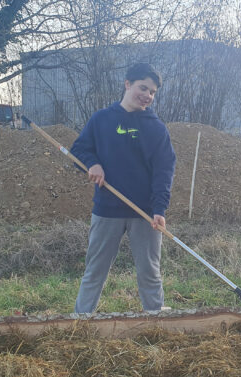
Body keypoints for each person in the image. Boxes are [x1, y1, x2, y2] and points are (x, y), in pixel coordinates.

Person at [70, 62, 176, 313]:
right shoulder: (101, 120)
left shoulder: (156, 128)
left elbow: (164, 171)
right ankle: (80, 320)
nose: (148, 96)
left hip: (145, 213)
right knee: (95, 270)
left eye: (152, 92)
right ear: (127, 84)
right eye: (143, 88)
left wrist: (159, 209)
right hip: (107, 210)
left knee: (150, 271)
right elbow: (79, 150)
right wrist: (92, 164)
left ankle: (155, 316)